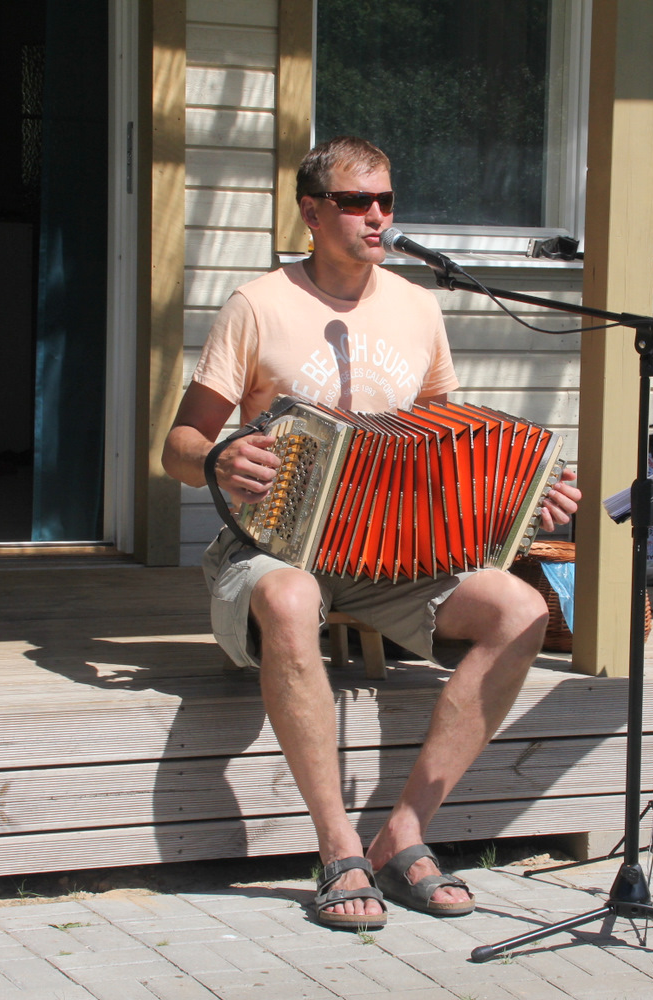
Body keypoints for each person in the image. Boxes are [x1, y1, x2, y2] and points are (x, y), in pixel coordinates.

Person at [162, 136, 581, 930]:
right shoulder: (258, 305)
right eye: (356, 202)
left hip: (398, 556)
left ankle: (404, 832)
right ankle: (337, 849)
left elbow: (455, 445)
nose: (377, 216)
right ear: (312, 212)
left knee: (521, 608)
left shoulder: (418, 306)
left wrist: (526, 501)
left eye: (386, 200)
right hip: (277, 547)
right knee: (291, 598)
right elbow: (178, 447)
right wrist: (217, 460)